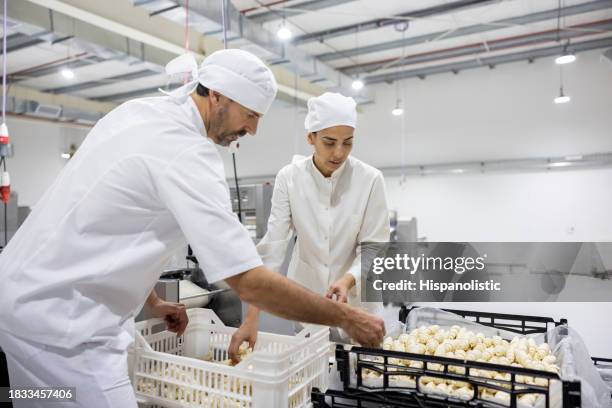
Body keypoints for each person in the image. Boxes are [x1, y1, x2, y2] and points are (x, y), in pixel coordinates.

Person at [0, 50, 384, 408]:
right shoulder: (187, 152)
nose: (252, 130)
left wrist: (152, 302)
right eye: (250, 115)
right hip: (63, 330)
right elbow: (249, 280)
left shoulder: (137, 114)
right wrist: (348, 318)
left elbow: (108, 224)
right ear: (217, 96)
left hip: (18, 307)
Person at [229, 92, 390, 362]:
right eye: (329, 142)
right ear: (310, 138)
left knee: (360, 382)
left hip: (359, 307)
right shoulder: (290, 179)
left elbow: (374, 246)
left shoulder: (370, 180)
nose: (339, 152)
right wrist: (251, 318)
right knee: (312, 383)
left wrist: (347, 279)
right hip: (308, 311)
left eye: (347, 143)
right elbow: (273, 249)